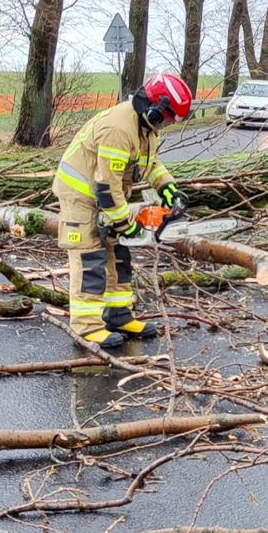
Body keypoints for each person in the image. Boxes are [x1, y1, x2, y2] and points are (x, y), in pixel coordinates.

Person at [51, 73, 192, 349]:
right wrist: (125, 223)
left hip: (106, 194)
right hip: (81, 196)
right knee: (90, 257)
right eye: (167, 117)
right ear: (156, 106)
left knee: (120, 255)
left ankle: (118, 314)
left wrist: (168, 188)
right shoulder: (119, 128)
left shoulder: (146, 127)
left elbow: (150, 164)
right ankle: (87, 326)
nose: (165, 123)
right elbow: (106, 187)